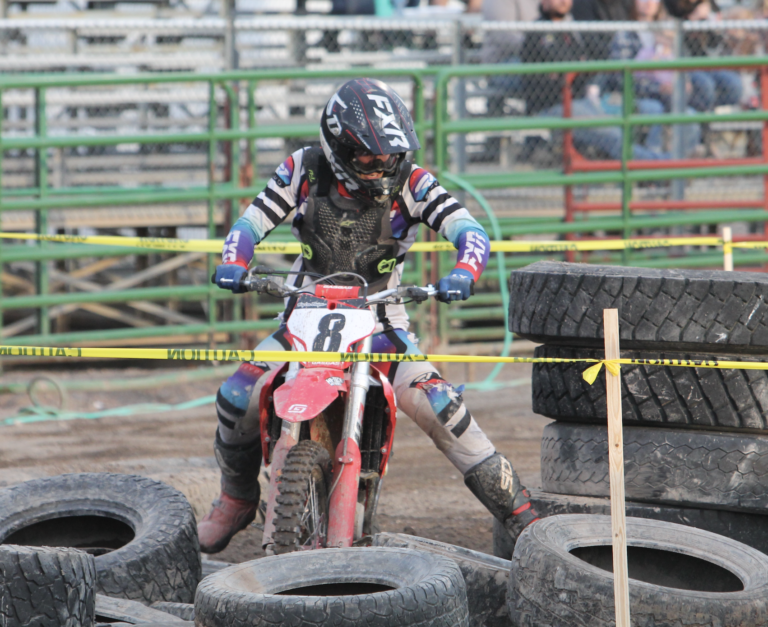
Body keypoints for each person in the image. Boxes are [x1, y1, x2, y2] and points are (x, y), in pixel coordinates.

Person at [197, 78, 540, 555]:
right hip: (305, 315)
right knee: (237, 394)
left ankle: (524, 519)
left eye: (390, 157)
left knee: (443, 408)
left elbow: (470, 230)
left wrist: (465, 270)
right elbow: (249, 222)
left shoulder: (412, 181)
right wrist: (235, 261)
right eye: (369, 158)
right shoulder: (303, 169)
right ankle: (236, 497)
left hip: (380, 321)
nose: (382, 167)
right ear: (338, 147)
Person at [521, 0, 671, 160]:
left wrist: (580, 66)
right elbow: (565, 65)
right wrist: (579, 65)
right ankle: (660, 165)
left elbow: (595, 55)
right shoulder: (539, 30)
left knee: (645, 113)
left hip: (583, 99)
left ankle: (660, 162)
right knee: (613, 135)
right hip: (553, 106)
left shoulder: (572, 27)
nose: (564, 1)